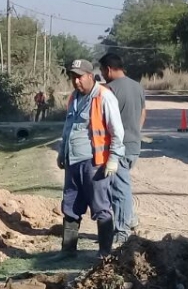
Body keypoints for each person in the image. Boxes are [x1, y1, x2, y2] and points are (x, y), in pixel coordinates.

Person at [56, 59, 125, 258]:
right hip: (73, 162)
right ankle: (68, 251)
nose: (76, 81)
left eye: (79, 77)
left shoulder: (104, 97)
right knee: (70, 206)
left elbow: (117, 131)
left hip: (95, 163)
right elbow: (68, 128)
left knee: (101, 207)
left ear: (90, 76)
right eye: (73, 77)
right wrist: (62, 152)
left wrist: (113, 158)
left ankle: (104, 253)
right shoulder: (73, 98)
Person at [98, 53, 146, 247]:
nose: (101, 74)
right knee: (119, 186)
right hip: (134, 145)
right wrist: (135, 132)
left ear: (108, 69)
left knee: (119, 189)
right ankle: (130, 218)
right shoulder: (137, 86)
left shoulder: (108, 90)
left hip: (118, 148)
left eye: (102, 71)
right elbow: (143, 112)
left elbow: (103, 120)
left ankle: (122, 231)